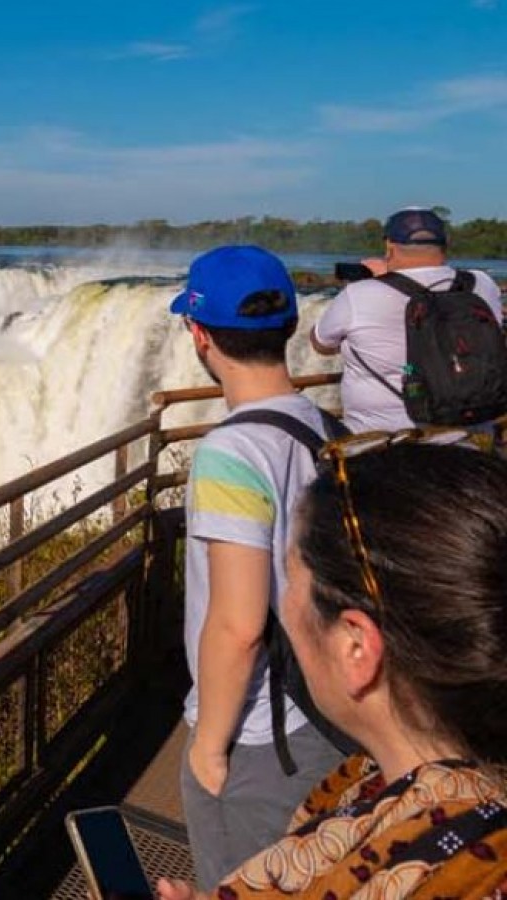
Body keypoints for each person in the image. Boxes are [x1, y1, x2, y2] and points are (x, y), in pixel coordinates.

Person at [157, 440, 507, 899]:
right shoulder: (391, 786)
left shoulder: (437, 868)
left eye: (292, 579)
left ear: (355, 646)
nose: (284, 606)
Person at [169, 246, 347, 892]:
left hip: (256, 737)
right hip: (324, 715)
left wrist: (209, 749)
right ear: (293, 326)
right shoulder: (330, 429)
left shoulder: (232, 453)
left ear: (199, 335)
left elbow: (238, 623)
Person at [311, 207, 503, 431]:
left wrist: (381, 281)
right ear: (445, 244)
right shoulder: (481, 284)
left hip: (384, 444)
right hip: (473, 439)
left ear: (389, 247)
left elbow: (321, 344)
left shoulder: (360, 294)